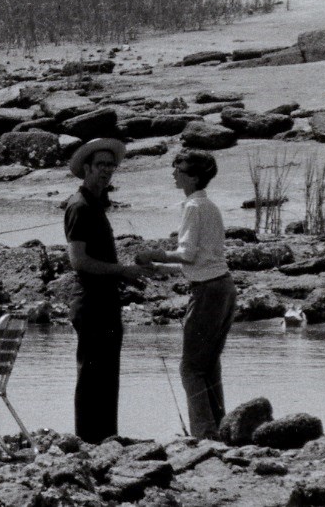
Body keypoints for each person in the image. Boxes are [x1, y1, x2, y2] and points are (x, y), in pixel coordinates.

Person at [135, 149, 235, 439]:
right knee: (209, 364)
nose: (174, 173)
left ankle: (204, 434)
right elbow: (206, 259)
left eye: (178, 169)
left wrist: (152, 254)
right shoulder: (211, 206)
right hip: (224, 287)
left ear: (193, 176)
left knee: (190, 368)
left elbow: (188, 254)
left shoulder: (192, 206)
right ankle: (221, 429)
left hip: (207, 293)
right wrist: (161, 268)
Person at [63, 138, 151, 444]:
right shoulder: (80, 205)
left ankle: (106, 440)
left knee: (107, 377)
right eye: (100, 165)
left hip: (106, 301)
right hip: (90, 303)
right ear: (86, 168)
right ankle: (88, 443)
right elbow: (78, 261)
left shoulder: (96, 204)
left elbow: (96, 260)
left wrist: (125, 276)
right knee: (91, 378)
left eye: (110, 166)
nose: (107, 171)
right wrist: (121, 270)